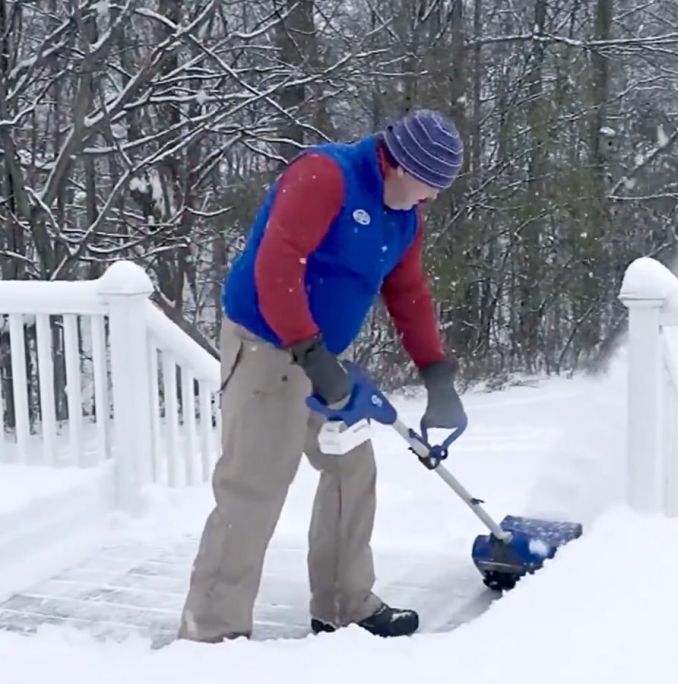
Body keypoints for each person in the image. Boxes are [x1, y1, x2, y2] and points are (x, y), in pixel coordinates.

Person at [178, 110, 467, 643]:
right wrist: (308, 353)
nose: (430, 198)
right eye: (428, 185)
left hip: (324, 354)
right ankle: (211, 635)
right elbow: (277, 264)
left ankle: (343, 604)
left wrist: (436, 374)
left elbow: (407, 292)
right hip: (268, 347)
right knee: (253, 487)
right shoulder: (324, 176)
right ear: (400, 166)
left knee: (351, 471)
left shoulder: (405, 215)